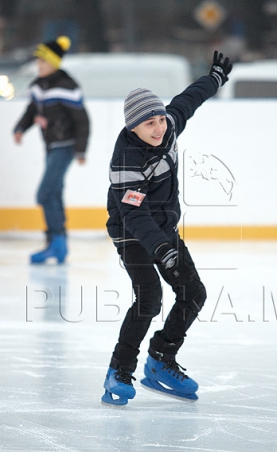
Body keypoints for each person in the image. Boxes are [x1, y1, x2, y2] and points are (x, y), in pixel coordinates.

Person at [100, 50, 233, 406]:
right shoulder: (127, 158)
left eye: (159, 118)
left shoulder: (169, 126)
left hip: (163, 226)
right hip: (131, 231)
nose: (158, 128)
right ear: (133, 128)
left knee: (194, 293)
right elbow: (134, 216)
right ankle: (119, 370)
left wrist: (216, 78)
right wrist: (163, 249)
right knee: (150, 297)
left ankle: (161, 358)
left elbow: (189, 100)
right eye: (149, 124)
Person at [13, 36, 89, 264]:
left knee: (45, 193)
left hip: (65, 147)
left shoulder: (67, 86)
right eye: (38, 63)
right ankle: (57, 244)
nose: (39, 66)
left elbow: (82, 120)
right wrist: (20, 128)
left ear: (55, 62)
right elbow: (31, 109)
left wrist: (81, 150)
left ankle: (57, 242)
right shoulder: (39, 85)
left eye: (43, 62)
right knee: (53, 192)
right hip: (50, 146)